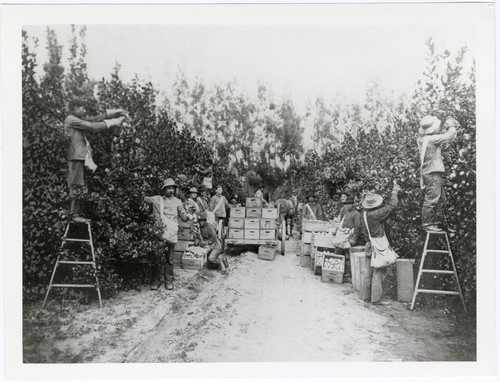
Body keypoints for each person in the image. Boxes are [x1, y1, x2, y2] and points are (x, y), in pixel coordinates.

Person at [65, 98, 126, 222]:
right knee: (77, 184)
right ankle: (74, 215)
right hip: (76, 156)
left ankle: (77, 213)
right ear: (74, 108)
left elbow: (93, 119)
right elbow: (93, 126)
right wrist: (114, 122)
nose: (84, 110)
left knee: (81, 185)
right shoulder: (70, 119)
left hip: (80, 156)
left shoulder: (76, 119)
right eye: (81, 107)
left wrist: (113, 113)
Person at [144, 178, 195, 291]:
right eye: (168, 188)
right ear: (164, 189)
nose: (171, 190)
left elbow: (183, 217)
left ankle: (169, 281)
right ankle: (155, 281)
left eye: (172, 188)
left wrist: (190, 215)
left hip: (171, 232)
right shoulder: (157, 199)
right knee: (157, 257)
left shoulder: (177, 202)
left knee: (170, 258)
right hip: (159, 232)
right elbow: (143, 199)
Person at [361, 181, 401, 305]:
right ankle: (376, 299)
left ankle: (366, 296)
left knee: (368, 272)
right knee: (378, 272)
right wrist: (394, 192)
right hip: (378, 245)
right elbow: (391, 206)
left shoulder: (364, 214)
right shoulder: (375, 214)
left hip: (369, 244)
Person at [417, 114, 458, 232]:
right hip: (433, 172)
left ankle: (436, 222)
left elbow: (439, 136)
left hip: (429, 172)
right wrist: (451, 125)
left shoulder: (422, 139)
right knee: (432, 198)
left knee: (440, 198)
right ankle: (428, 224)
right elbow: (449, 136)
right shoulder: (431, 139)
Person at [333, 193, 362, 278]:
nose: (348, 205)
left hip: (349, 236)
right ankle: (338, 270)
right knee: (338, 252)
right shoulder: (346, 212)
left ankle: (348, 272)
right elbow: (341, 222)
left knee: (347, 255)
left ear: (353, 204)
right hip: (342, 235)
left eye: (350, 204)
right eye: (347, 204)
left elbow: (357, 227)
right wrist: (336, 230)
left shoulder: (356, 213)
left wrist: (354, 238)